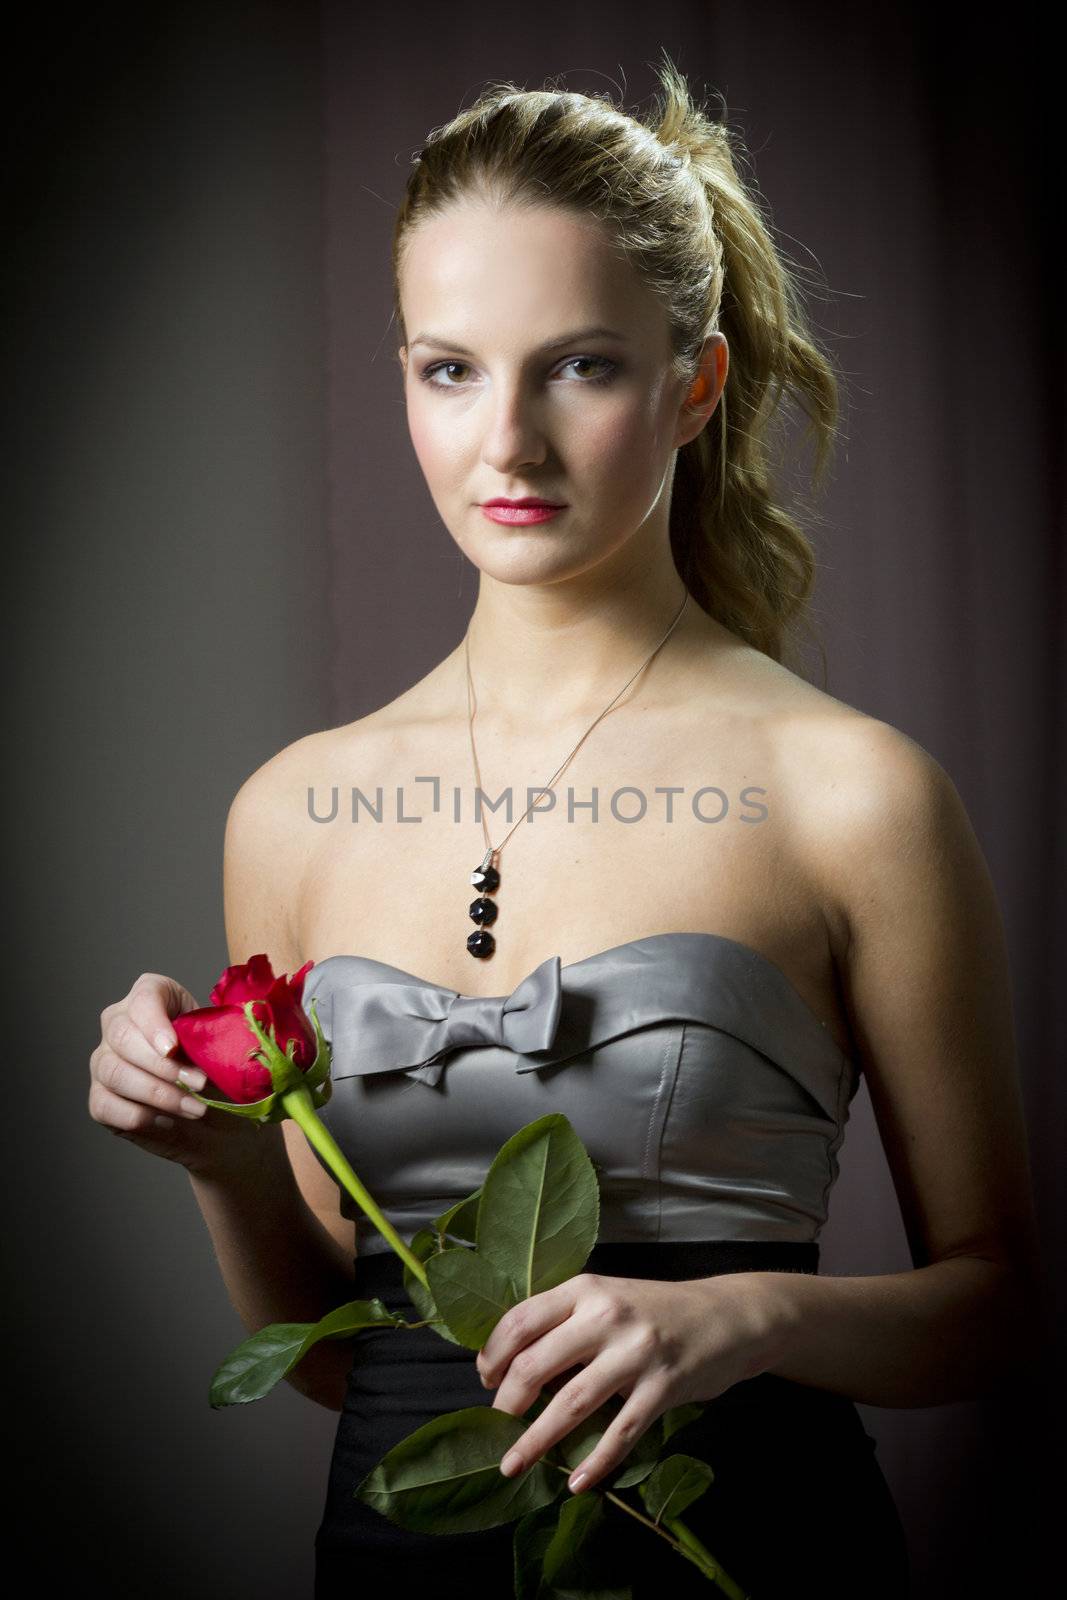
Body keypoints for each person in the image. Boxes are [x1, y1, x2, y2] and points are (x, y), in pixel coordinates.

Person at [88, 57, 1045, 1599]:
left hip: (756, 1558)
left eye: (580, 366)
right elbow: (354, 1359)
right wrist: (217, 1161)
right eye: (448, 369)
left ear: (695, 383)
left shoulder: (853, 793)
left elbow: (1006, 1309)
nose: (506, 445)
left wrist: (744, 1320)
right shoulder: (291, 808)